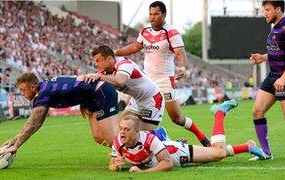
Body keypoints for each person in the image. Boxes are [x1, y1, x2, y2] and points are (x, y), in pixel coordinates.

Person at [114, 1, 210, 147]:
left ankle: (201, 136)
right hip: (146, 81)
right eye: (150, 14)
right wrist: (115, 52)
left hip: (164, 81)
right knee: (127, 120)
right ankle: (135, 149)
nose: (152, 18)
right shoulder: (145, 30)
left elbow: (180, 54)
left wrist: (183, 68)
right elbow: (135, 46)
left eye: (156, 14)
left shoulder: (172, 32)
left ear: (163, 14)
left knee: (177, 118)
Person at [109, 100, 265, 172]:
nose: (122, 132)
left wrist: (143, 173)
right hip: (170, 151)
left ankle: (219, 113)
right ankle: (247, 146)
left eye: (126, 129)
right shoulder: (117, 142)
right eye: (121, 128)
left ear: (137, 132)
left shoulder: (150, 139)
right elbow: (112, 164)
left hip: (177, 153)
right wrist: (116, 166)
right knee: (212, 155)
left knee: (218, 152)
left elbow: (167, 164)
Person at [0, 72, 119, 156]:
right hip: (91, 98)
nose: (21, 93)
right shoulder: (44, 88)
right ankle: (123, 150)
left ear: (32, 87)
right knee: (98, 137)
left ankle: (127, 150)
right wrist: (14, 140)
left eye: (22, 90)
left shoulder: (43, 93)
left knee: (110, 137)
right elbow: (35, 123)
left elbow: (33, 124)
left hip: (101, 92)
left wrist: (16, 145)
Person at [249, 0, 285, 160]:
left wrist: (284, 77)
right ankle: (266, 153)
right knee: (257, 111)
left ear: (278, 9)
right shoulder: (275, 29)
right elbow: (278, 50)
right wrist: (263, 57)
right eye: (264, 10)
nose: (265, 13)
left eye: (267, 10)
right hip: (273, 77)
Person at [79, 45, 164, 131]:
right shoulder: (103, 72)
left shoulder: (124, 64)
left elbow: (120, 81)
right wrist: (85, 104)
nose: (96, 64)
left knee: (145, 137)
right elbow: (97, 90)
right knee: (121, 130)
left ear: (109, 59)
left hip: (152, 99)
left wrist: (99, 77)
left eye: (99, 60)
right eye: (95, 61)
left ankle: (162, 136)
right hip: (136, 100)